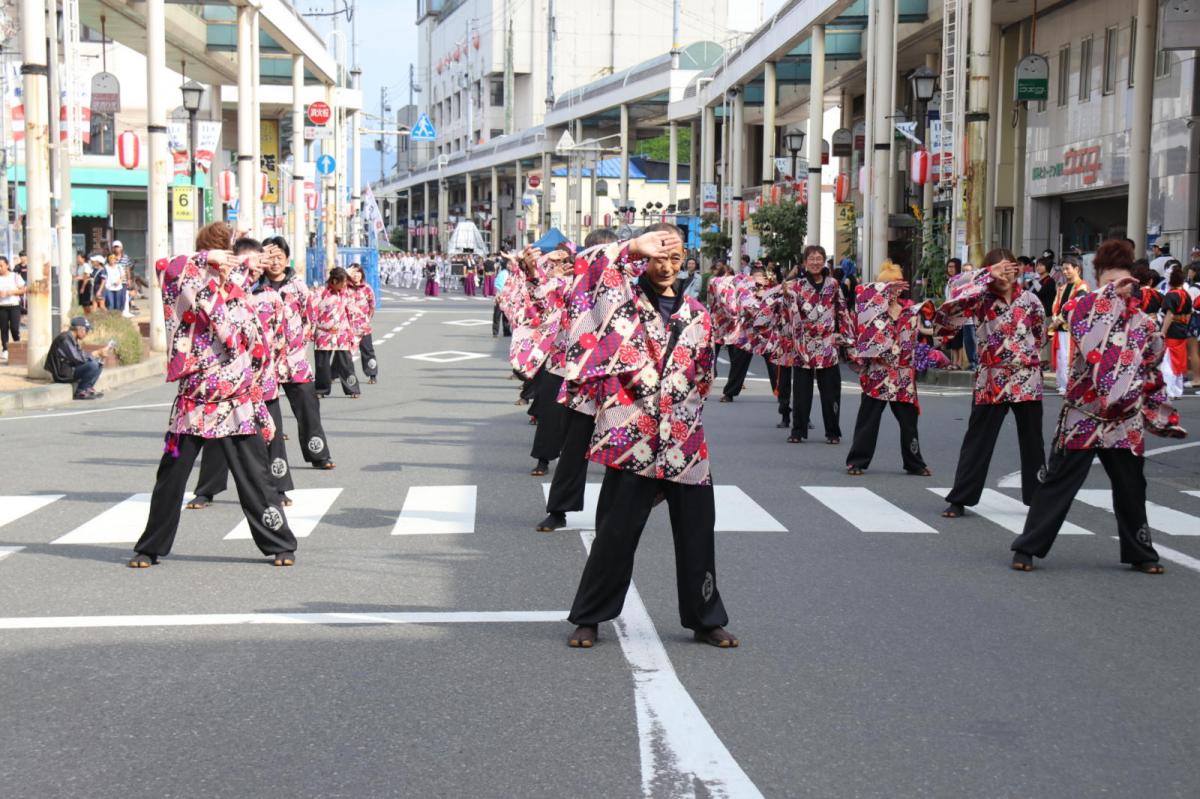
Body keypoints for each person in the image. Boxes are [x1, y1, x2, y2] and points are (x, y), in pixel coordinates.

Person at [559, 224, 736, 650]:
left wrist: (680, 412)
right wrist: (632, 246)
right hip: (631, 435)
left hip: (685, 440)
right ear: (642, 257)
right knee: (615, 535)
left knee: (697, 533)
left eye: (675, 257)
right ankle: (589, 617)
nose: (666, 265)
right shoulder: (621, 303)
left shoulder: (697, 315)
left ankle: (705, 618)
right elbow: (586, 272)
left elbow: (704, 377)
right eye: (657, 255)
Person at [128, 221, 298, 568]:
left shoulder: (236, 285)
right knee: (170, 474)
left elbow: (255, 271)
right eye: (229, 251)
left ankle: (280, 543)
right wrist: (207, 257)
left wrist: (250, 260)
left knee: (255, 475)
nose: (234, 260)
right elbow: (166, 266)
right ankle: (150, 546)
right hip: (192, 404)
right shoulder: (188, 279)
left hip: (236, 404)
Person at [1010, 238, 1185, 574]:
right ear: (1098, 282)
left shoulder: (1145, 324)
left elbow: (1151, 369)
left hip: (1123, 420)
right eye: (1109, 284)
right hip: (1084, 415)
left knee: (1132, 486)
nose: (1117, 290)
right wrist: (1108, 298)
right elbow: (1086, 332)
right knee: (1058, 482)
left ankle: (1141, 551)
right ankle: (1027, 547)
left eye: (1124, 283)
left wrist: (1157, 411)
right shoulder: (1083, 308)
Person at [186, 238, 295, 510]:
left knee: (273, 436)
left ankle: (278, 488)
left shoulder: (270, 296)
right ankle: (207, 490)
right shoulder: (218, 295)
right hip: (227, 385)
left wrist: (278, 368)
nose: (255, 269)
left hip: (263, 381)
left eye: (259, 264)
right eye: (250, 263)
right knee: (216, 439)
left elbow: (282, 337)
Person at [936, 249, 1046, 518]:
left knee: (1033, 442)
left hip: (1026, 378)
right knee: (978, 440)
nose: (1003, 274)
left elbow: (1039, 334)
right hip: (991, 379)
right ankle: (961, 497)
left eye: (1007, 268)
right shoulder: (979, 299)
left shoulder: (1031, 300)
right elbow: (951, 298)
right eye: (997, 269)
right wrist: (985, 275)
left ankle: (1040, 499)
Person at [534, 228, 621, 532]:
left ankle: (616, 513)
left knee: (622, 449)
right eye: (595, 254)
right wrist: (547, 262)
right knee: (573, 448)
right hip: (578, 379)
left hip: (618, 380)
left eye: (608, 253)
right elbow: (541, 291)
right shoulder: (572, 286)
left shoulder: (629, 288)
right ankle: (558, 510)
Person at [751, 245, 851, 444]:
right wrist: (783, 292)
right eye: (811, 259)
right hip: (802, 345)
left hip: (827, 344)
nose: (815, 262)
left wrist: (845, 336)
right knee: (801, 392)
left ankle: (833, 432)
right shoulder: (795, 285)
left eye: (819, 258)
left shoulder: (833, 284)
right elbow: (773, 303)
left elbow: (842, 311)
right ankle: (798, 430)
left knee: (831, 392)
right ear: (805, 262)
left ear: (824, 261)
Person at [845, 260, 930, 477]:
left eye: (897, 284)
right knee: (868, 421)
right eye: (887, 284)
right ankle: (857, 461)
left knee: (909, 423)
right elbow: (861, 293)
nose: (893, 289)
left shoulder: (910, 311)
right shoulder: (870, 311)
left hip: (902, 375)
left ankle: (915, 463)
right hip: (878, 374)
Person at [260, 236, 335, 470]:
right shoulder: (253, 287)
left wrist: (297, 344)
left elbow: (309, 318)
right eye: (270, 258)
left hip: (294, 362)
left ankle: (318, 454)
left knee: (308, 409)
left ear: (287, 259)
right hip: (264, 364)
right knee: (268, 417)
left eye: (279, 258)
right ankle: (272, 463)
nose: (274, 263)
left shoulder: (299, 287)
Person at [312, 267, 361, 398]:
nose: (345, 285)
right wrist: (311, 329)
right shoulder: (320, 293)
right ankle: (321, 389)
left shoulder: (345, 293)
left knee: (346, 362)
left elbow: (351, 310)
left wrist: (356, 328)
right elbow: (312, 311)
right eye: (343, 281)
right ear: (334, 281)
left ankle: (352, 389)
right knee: (322, 364)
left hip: (342, 333)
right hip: (324, 333)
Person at [1049, 255, 1089, 393]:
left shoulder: (1082, 286)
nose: (1065, 272)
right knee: (1061, 355)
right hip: (1061, 326)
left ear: (1077, 269)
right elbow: (1056, 304)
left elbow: (1076, 304)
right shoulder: (1062, 287)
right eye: (1063, 269)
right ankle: (1062, 384)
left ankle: (1069, 385)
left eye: (1067, 269)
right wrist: (1055, 318)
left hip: (1072, 328)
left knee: (1069, 357)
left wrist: (1060, 318)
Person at [45, 316, 110, 399]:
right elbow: (77, 358)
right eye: (86, 330)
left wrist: (100, 356)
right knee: (93, 365)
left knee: (98, 363)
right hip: (63, 373)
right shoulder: (65, 339)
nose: (87, 333)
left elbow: (81, 355)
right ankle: (81, 391)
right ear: (79, 329)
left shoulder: (72, 338)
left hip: (70, 369)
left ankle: (88, 388)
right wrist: (95, 353)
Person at [1160, 265, 1191, 399]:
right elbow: (1189, 314)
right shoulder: (1186, 294)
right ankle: (1178, 390)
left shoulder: (1171, 295)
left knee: (1168, 361)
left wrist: (1163, 331)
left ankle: (1169, 391)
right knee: (1179, 360)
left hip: (1172, 330)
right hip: (1182, 328)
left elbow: (1169, 315)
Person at [347, 263, 378, 384]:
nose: (356, 275)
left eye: (358, 272)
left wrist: (367, 320)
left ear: (362, 274)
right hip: (348, 327)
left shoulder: (367, 288)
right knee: (344, 353)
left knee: (367, 351)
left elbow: (372, 305)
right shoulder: (345, 288)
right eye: (353, 272)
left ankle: (372, 374)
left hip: (364, 327)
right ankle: (335, 374)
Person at [0, 255, 26, 363]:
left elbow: (24, 289)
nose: (0, 268)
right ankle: (5, 349)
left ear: (7, 265)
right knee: (4, 329)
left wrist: (12, 292)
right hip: (2, 307)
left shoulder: (15, 276)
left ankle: (17, 345)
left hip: (14, 306)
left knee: (15, 328)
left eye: (1, 265)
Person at [493, 260, 512, 337]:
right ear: (507, 265)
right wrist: (499, 294)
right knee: (497, 315)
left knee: (506, 316)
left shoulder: (511, 273)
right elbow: (498, 285)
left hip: (507, 297)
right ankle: (495, 332)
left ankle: (506, 331)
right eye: (509, 264)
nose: (511, 266)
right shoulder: (503, 273)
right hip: (500, 296)